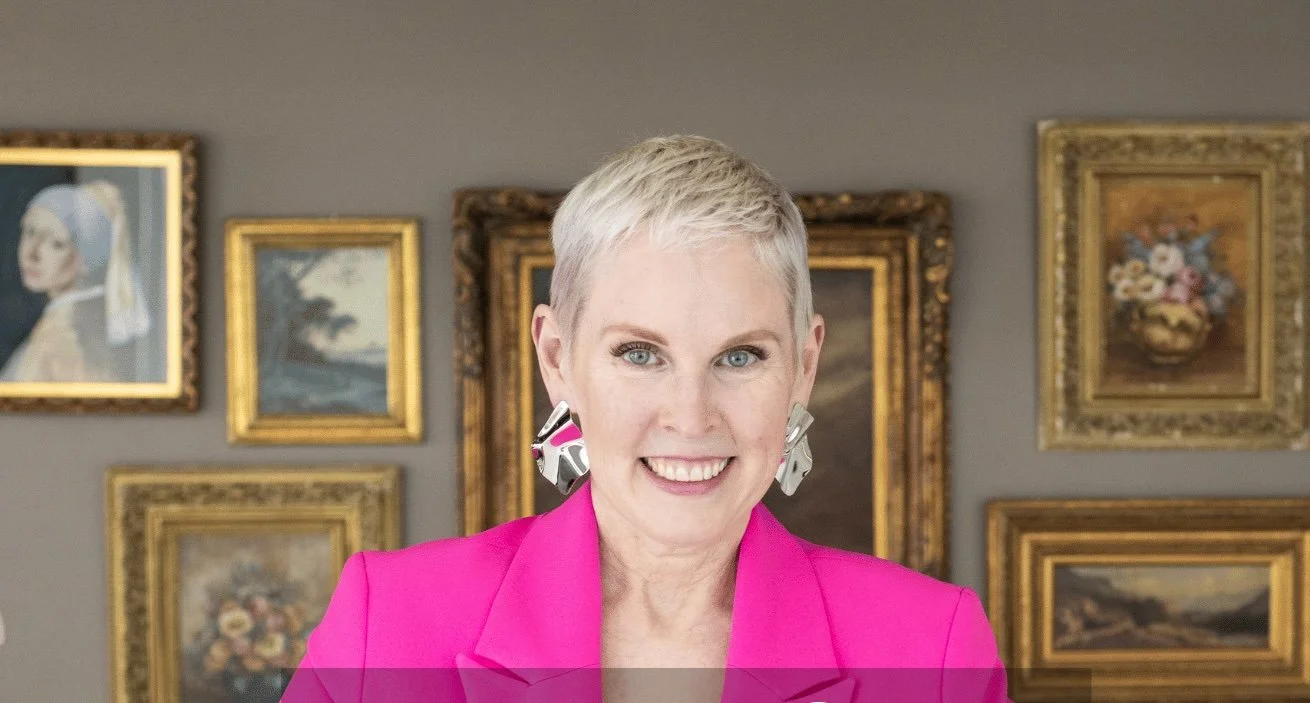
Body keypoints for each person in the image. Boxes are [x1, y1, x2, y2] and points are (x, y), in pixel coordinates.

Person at [282, 136, 1011, 702]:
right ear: (558, 358)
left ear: (804, 366)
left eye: (740, 356)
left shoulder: (932, 647)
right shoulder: (389, 622)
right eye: (640, 353)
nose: (690, 417)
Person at [0, 180, 150, 382]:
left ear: (86, 259)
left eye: (56, 243)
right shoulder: (58, 325)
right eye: (30, 232)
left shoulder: (65, 337)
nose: (32, 253)